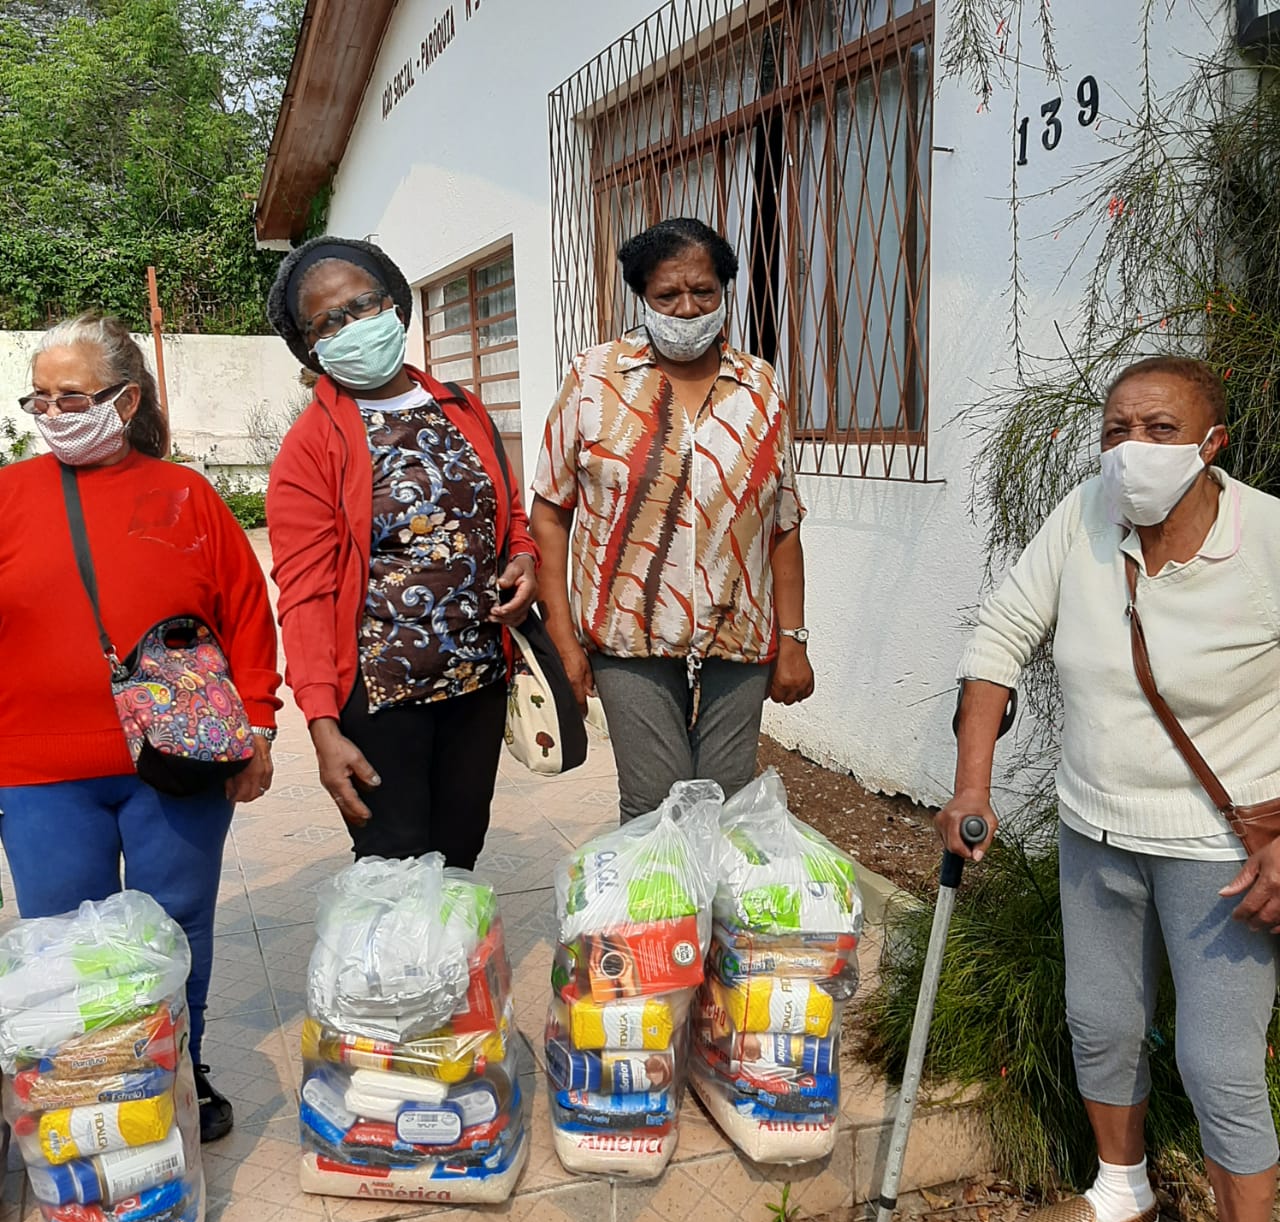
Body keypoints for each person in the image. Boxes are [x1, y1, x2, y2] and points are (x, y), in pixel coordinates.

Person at [937, 357, 1280, 1222]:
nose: (1132, 451)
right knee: (1100, 1021)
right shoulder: (1085, 512)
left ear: (1213, 444)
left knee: (1220, 1067)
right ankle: (1121, 1188)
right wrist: (974, 785)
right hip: (1096, 828)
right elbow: (1001, 634)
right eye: (1116, 430)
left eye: (1160, 431)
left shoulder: (1270, 538)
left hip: (1220, 851)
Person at [0, 313, 281, 1143]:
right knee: (61, 938)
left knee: (178, 919)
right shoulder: (8, 494)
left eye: (72, 397)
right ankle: (96, 1079)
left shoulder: (186, 493)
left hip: (177, 755)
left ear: (125, 400)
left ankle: (177, 1068)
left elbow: (245, 613)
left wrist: (259, 724)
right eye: (39, 398)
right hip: (39, 772)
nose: (54, 414)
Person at [266, 236, 539, 869]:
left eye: (362, 304)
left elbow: (508, 512)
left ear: (394, 306)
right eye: (327, 320)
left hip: (476, 682)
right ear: (311, 345)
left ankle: (459, 972)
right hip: (381, 696)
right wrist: (321, 724)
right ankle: (406, 975)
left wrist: (523, 556)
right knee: (395, 867)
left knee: (461, 855)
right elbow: (304, 594)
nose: (351, 324)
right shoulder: (311, 446)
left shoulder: (461, 408)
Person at [531, 216, 813, 823]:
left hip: (739, 635)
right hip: (628, 632)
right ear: (642, 297)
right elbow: (550, 513)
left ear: (724, 291)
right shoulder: (593, 380)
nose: (687, 309)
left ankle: (715, 919)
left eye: (703, 292)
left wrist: (793, 641)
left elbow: (782, 524)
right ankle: (661, 920)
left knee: (728, 802)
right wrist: (561, 636)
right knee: (655, 805)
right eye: (668, 295)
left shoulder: (760, 386)